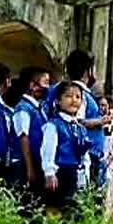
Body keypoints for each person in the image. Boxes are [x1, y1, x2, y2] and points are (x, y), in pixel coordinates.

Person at [41, 82, 92, 214]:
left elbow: (84, 154)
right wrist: (49, 172)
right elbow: (48, 149)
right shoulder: (54, 125)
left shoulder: (80, 128)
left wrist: (84, 176)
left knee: (73, 210)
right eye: (68, 96)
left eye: (78, 97)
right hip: (59, 172)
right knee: (55, 209)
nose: (74, 100)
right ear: (58, 100)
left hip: (74, 172)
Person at [64, 50, 109, 187]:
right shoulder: (79, 93)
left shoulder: (82, 93)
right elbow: (76, 121)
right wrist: (100, 121)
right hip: (86, 157)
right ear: (87, 71)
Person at [11, 67, 50, 191]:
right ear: (33, 85)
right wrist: (30, 168)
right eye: (46, 82)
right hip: (24, 164)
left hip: (35, 162)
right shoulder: (23, 109)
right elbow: (23, 137)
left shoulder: (39, 108)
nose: (48, 87)